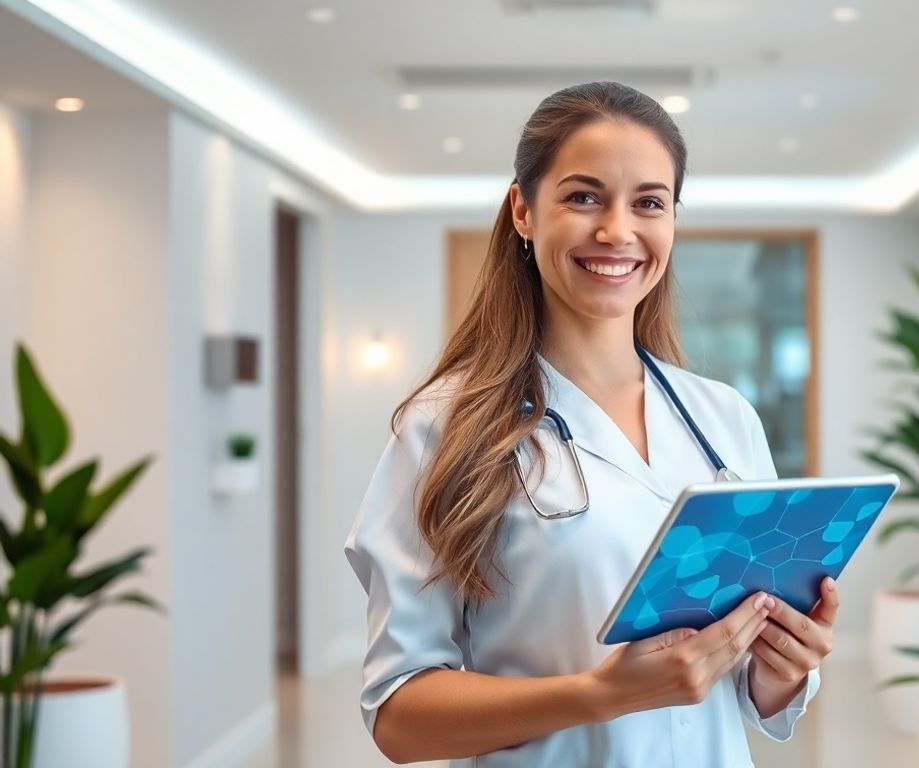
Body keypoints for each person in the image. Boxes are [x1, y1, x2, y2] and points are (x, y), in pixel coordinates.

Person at [344, 81, 837, 767]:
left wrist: (781, 668)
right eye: (583, 197)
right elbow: (399, 717)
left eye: (649, 203)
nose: (617, 230)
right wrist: (598, 694)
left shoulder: (724, 418)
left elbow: (742, 688)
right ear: (522, 210)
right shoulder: (443, 429)